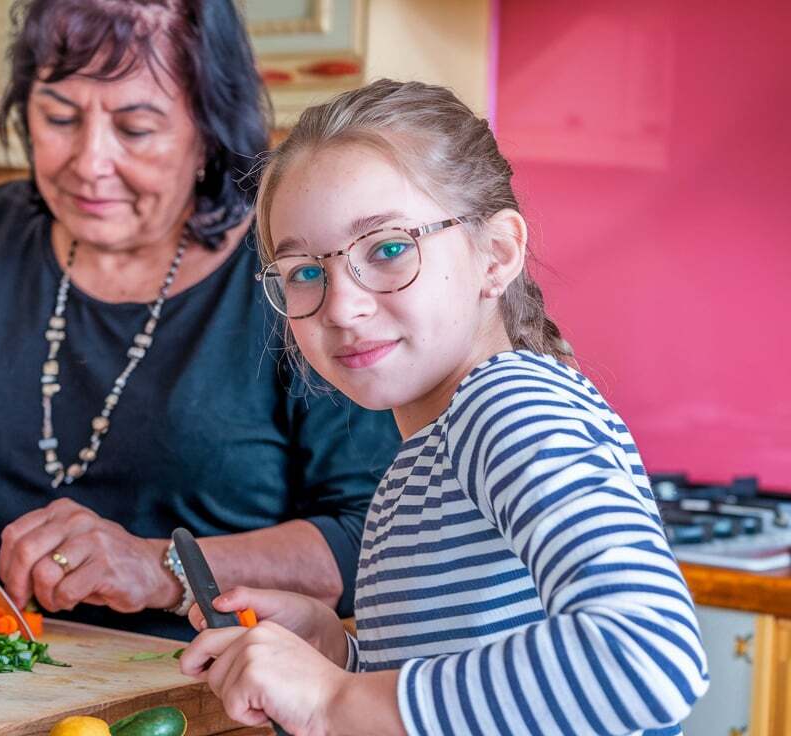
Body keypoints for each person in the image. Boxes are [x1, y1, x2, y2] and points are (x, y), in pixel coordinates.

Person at [0, 0, 400, 640]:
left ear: (208, 131)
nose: (88, 162)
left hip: (203, 698)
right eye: (60, 117)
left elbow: (371, 535)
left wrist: (164, 567)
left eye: (135, 128)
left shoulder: (289, 270)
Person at [179, 80, 708, 734]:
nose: (342, 306)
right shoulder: (427, 453)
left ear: (497, 254)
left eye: (389, 249)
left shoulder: (508, 404)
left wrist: (332, 702)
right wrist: (342, 658)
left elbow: (645, 657)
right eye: (306, 272)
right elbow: (468, 685)